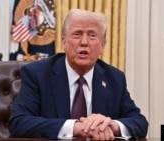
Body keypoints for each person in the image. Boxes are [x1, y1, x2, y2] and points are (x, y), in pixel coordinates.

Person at [9, 8, 148, 140]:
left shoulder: (114, 78)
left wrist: (113, 125)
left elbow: (139, 122)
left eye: (92, 36)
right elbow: (19, 122)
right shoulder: (37, 74)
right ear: (64, 42)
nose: (84, 42)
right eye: (77, 34)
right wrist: (77, 127)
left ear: (102, 46)